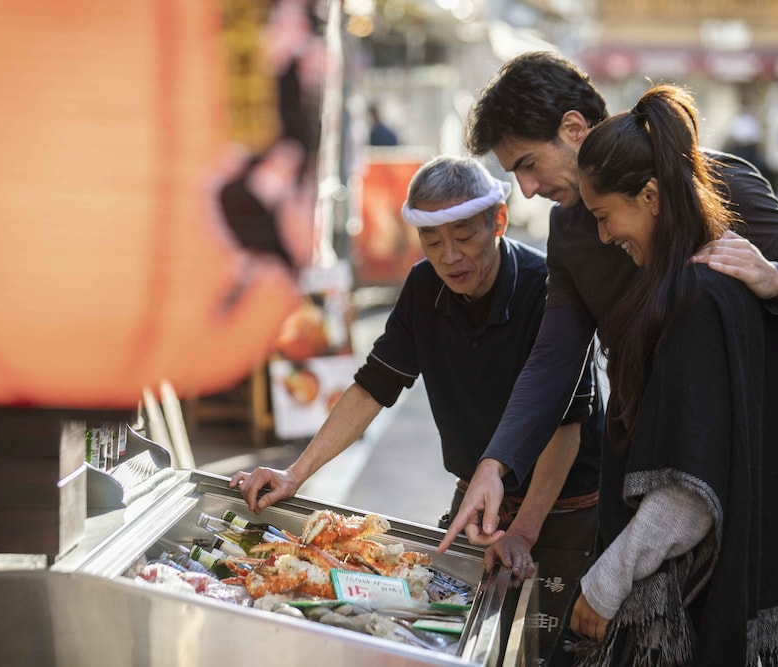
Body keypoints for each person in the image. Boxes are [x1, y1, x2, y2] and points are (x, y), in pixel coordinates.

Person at [438, 51, 778, 565]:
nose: (526, 188)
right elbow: (554, 359)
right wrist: (494, 465)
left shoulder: (712, 183)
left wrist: (776, 278)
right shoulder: (568, 229)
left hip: (726, 467)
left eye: (527, 164)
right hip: (638, 461)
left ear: (572, 128)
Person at [230, 155, 603, 659]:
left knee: (546, 651)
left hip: (560, 512)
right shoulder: (424, 286)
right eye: (433, 241)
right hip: (475, 503)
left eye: (464, 236)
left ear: (498, 219)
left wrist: (524, 531)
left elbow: (568, 425)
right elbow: (372, 387)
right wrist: (296, 474)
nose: (449, 257)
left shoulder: (548, 288)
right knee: (451, 637)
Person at [552, 82, 778, 665]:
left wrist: (604, 584)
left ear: (649, 195)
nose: (602, 235)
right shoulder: (706, 277)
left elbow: (687, 494)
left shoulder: (697, 296)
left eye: (604, 216)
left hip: (685, 604)